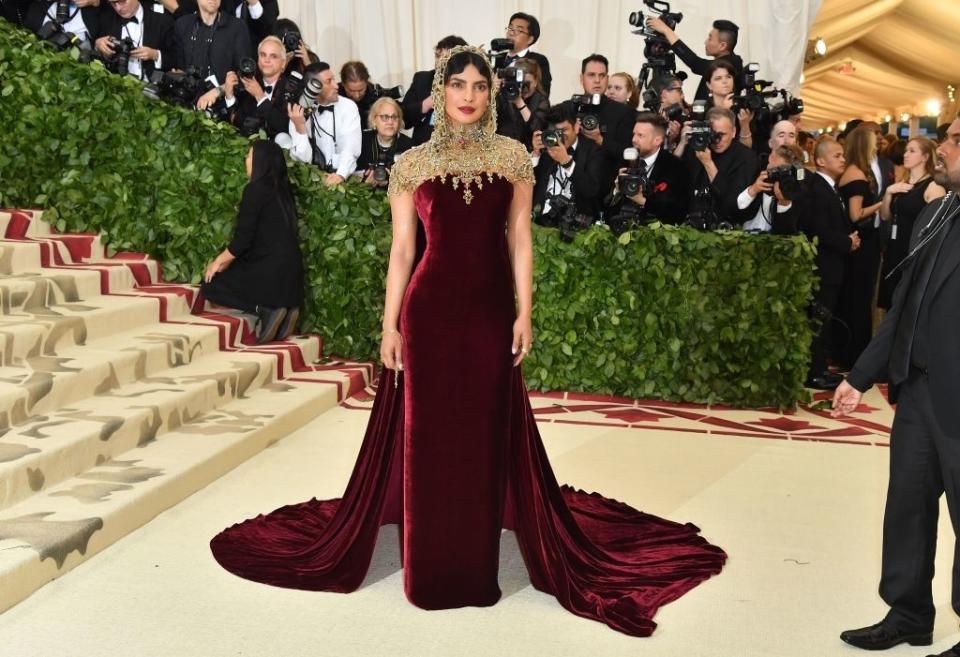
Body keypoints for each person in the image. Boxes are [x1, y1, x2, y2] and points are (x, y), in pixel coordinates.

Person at [209, 44, 725, 638]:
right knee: (426, 439)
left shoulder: (512, 158)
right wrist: (388, 324)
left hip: (487, 313)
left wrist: (524, 313)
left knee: (480, 436)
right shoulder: (410, 164)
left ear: (491, 95)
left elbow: (520, 242)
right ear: (440, 91)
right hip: (427, 313)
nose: (470, 95)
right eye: (460, 85)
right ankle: (429, 570)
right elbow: (404, 251)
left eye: (480, 86)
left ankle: (474, 566)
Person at [833, 116, 960, 657]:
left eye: (954, 141)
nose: (943, 150)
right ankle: (908, 612)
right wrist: (859, 376)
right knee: (906, 506)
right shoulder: (935, 213)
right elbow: (903, 304)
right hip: (920, 390)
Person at [200, 140, 303, 344]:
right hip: (292, 273)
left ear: (260, 162)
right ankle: (285, 310)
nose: (246, 160)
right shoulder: (284, 191)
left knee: (210, 285)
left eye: (249, 156)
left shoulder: (255, 190)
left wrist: (218, 262)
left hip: (268, 270)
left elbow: (242, 240)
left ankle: (264, 309)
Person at [802, 138, 861, 390]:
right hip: (823, 266)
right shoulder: (817, 188)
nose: (843, 159)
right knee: (818, 320)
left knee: (824, 320)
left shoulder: (831, 187)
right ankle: (814, 372)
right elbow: (819, 229)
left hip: (832, 266)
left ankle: (820, 367)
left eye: (842, 155)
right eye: (837, 155)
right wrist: (847, 242)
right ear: (821, 160)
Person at [834, 125, 890, 368]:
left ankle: (849, 352)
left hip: (861, 244)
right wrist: (882, 202)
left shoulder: (853, 171)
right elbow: (856, 215)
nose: (877, 144)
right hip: (862, 244)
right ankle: (854, 354)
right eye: (872, 141)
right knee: (859, 299)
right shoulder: (856, 175)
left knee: (855, 298)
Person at [877, 137, 945, 309]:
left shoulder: (933, 186)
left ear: (925, 157)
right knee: (891, 305)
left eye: (912, 151)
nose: (906, 154)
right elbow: (885, 216)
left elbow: (937, 230)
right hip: (894, 250)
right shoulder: (902, 183)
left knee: (906, 308)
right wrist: (888, 193)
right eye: (906, 150)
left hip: (913, 254)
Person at [677, 107, 758, 228]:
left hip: (726, 228)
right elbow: (671, 180)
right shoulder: (696, 148)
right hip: (690, 224)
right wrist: (682, 143)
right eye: (713, 134)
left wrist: (708, 163)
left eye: (722, 135)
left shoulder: (747, 158)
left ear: (734, 132)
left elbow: (733, 202)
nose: (717, 141)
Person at [607, 112, 689, 226]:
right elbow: (606, 204)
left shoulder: (675, 167)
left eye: (640, 135)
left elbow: (675, 211)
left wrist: (642, 201)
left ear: (657, 140)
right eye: (634, 134)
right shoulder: (625, 160)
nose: (634, 139)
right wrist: (616, 191)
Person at [288, 62, 362, 185]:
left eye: (333, 79)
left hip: (345, 180)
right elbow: (303, 159)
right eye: (329, 81)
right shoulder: (298, 111)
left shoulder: (348, 107)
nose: (336, 85)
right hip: (311, 184)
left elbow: (351, 146)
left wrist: (340, 174)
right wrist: (301, 128)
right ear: (313, 87)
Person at [531, 103, 605, 224]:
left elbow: (591, 190)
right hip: (541, 220)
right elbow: (530, 185)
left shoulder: (594, 151)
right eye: (554, 131)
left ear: (576, 126)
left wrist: (566, 162)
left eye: (564, 130)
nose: (559, 136)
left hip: (574, 224)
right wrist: (536, 154)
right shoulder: (547, 146)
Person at [644, 16, 742, 101]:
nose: (705, 42)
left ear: (722, 46)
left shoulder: (731, 63)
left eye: (710, 38)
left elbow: (695, 63)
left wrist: (666, 30)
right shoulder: (728, 62)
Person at [172, 0, 250, 106]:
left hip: (225, 106)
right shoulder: (182, 25)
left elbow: (244, 75)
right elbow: (179, 68)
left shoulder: (237, 27)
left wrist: (217, 91)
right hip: (188, 105)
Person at [400, 34, 468, 146]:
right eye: (437, 56)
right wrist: (425, 105)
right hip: (422, 149)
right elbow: (404, 118)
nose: (439, 61)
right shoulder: (422, 79)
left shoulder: (469, 83)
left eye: (445, 58)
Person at [224, 35, 291, 138]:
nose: (267, 60)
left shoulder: (291, 88)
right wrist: (229, 96)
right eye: (263, 55)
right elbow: (237, 123)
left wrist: (260, 96)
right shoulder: (250, 84)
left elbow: (285, 127)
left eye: (273, 56)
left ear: (283, 63)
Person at [94, 0, 175, 81]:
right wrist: (98, 44)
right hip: (116, 83)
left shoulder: (162, 19)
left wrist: (155, 55)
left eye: (122, 1)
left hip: (152, 86)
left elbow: (176, 59)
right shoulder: (106, 17)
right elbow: (96, 52)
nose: (118, 8)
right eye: (113, 3)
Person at [739, 144, 804, 234]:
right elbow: (732, 209)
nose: (782, 176)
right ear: (770, 158)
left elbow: (786, 235)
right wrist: (753, 190)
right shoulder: (752, 172)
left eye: (786, 173)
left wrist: (784, 204)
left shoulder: (795, 190)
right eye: (779, 170)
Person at [355, 97, 413, 188]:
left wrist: (392, 183)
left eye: (394, 117)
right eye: (385, 117)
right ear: (374, 120)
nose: (390, 122)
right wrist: (364, 184)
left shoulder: (408, 146)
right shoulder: (362, 141)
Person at [495, 56, 549, 150]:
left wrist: (519, 102)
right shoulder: (504, 95)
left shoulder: (541, 100)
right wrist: (493, 92)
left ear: (536, 81)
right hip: (501, 150)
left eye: (527, 83)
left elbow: (537, 129)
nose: (524, 88)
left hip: (527, 153)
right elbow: (488, 119)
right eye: (520, 83)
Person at [502, 11, 551, 98]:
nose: (511, 33)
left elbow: (543, 94)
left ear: (530, 39)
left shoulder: (538, 60)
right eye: (510, 28)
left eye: (518, 30)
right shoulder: (497, 58)